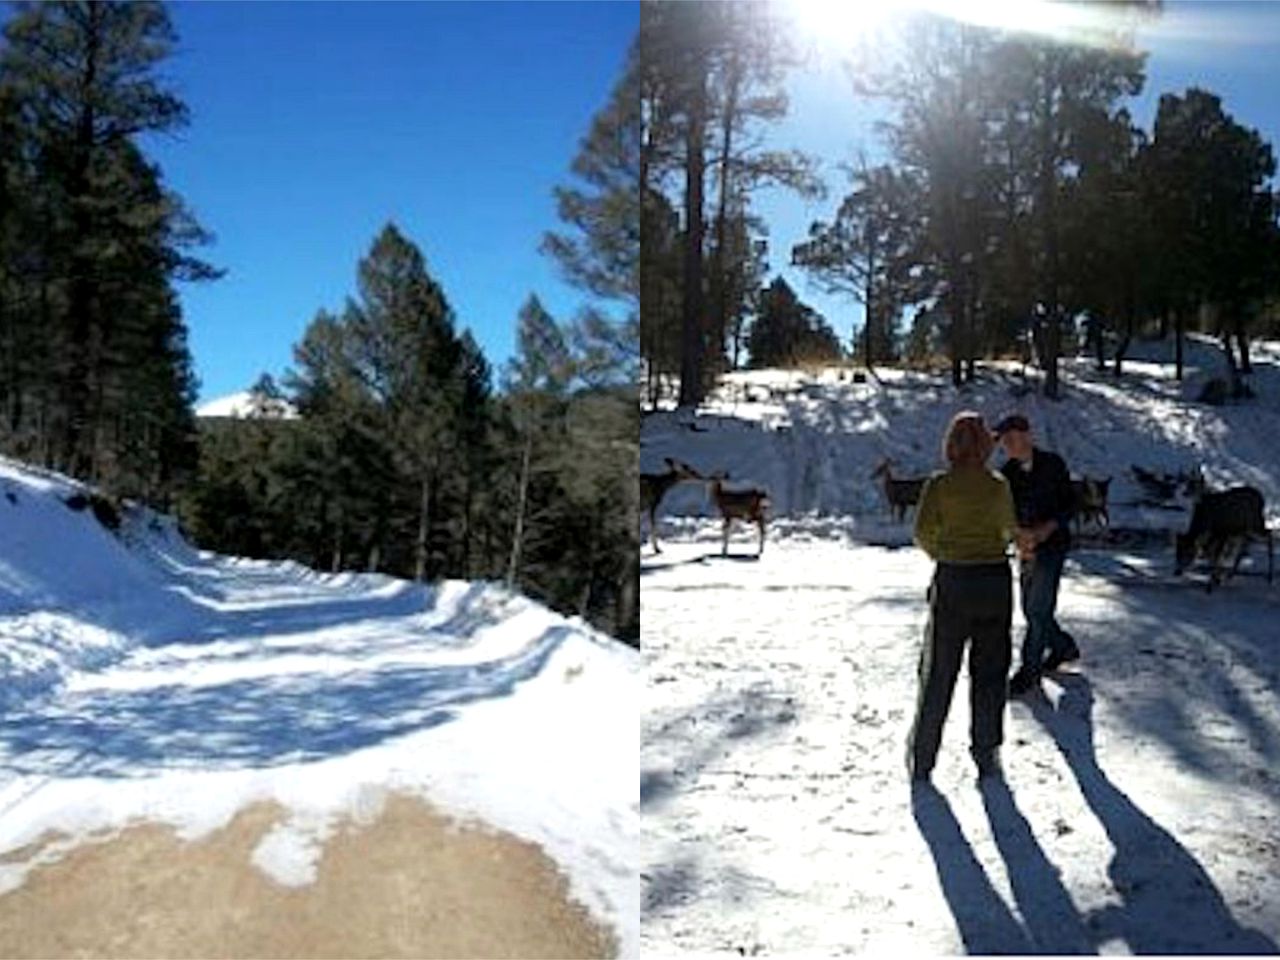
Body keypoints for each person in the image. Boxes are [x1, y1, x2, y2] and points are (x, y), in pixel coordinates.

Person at [908, 411, 1018, 783]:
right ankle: (986, 752)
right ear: (987, 444)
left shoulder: (938, 485)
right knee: (990, 671)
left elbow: (922, 532)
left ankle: (923, 757)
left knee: (939, 671)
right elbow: (1008, 529)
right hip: (994, 581)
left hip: (954, 579)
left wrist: (944, 552)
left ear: (951, 444)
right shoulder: (998, 485)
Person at [992, 413, 1080, 696]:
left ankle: (1029, 671)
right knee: (1031, 608)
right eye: (1004, 441)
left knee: (1038, 609)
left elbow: (1070, 504)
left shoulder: (1053, 464)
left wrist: (1048, 527)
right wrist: (1018, 536)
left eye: (1012, 439)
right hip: (1026, 547)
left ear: (1027, 435)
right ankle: (1063, 646)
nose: (1008, 445)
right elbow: (1005, 512)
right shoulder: (1007, 473)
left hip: (1052, 545)